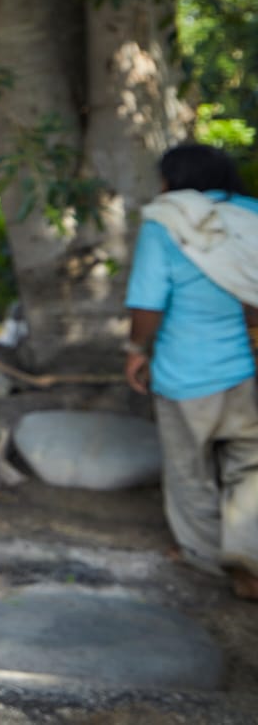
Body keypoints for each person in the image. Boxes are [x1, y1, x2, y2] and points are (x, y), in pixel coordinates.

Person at [124, 142, 258, 601]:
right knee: (251, 468)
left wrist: (136, 349)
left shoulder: (167, 221)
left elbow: (147, 303)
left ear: (171, 180)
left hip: (187, 371)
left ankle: (203, 557)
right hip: (249, 369)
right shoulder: (251, 215)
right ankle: (250, 561)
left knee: (189, 469)